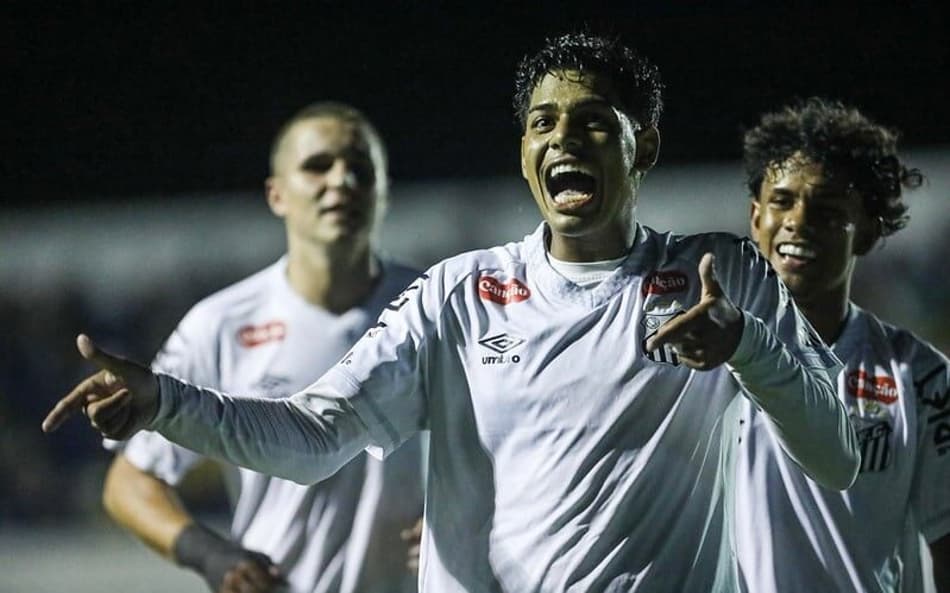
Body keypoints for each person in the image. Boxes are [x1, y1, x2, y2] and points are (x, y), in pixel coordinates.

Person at [44, 33, 860, 592]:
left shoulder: (720, 274)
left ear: (641, 146)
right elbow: (315, 436)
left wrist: (748, 345)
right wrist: (163, 401)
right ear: (523, 151)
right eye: (543, 122)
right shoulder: (457, 295)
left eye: (591, 123)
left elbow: (839, 453)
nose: (563, 139)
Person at [98, 102, 424, 593]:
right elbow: (129, 481)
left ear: (384, 193)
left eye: (360, 168)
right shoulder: (221, 325)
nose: (341, 180)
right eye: (318, 166)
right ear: (276, 194)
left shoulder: (436, 308)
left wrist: (481, 518)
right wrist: (211, 555)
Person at [728, 97, 950, 593]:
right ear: (755, 216)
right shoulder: (703, 361)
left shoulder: (920, 376)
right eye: (782, 200)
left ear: (867, 232)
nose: (799, 220)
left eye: (827, 208)